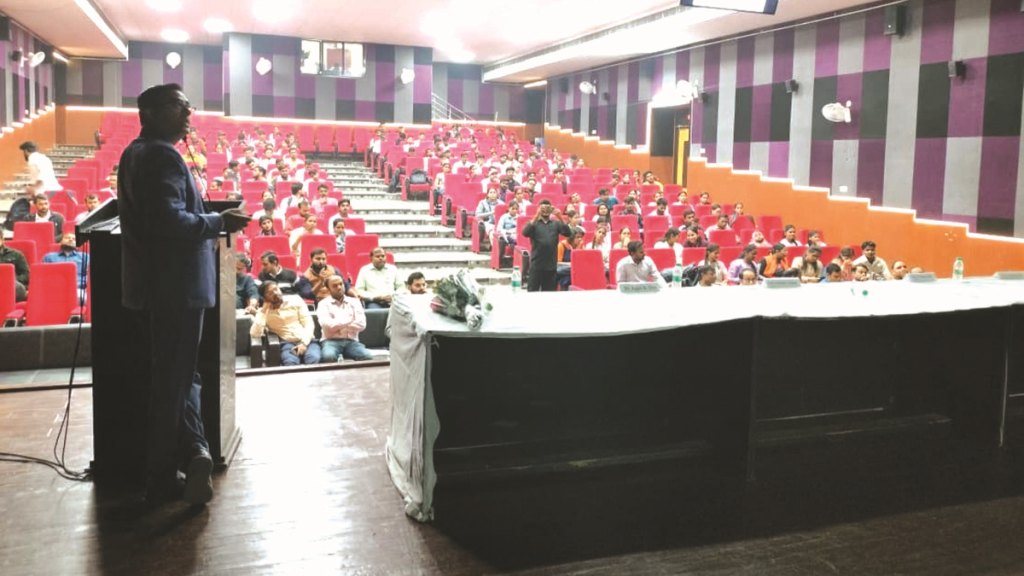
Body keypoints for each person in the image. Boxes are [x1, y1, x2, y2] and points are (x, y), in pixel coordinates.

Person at [118, 83, 250, 506]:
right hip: (176, 286)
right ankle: (160, 477)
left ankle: (195, 452)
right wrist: (219, 222)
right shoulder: (162, 155)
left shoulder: (135, 152)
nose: (189, 115)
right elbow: (169, 222)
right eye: (180, 107)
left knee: (180, 376)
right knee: (172, 383)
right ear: (153, 113)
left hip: (156, 286)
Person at [251, 281, 321, 365]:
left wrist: (304, 344)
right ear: (264, 298)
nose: (275, 293)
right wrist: (263, 311)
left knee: (313, 359)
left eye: (276, 289)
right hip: (287, 344)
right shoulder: (263, 313)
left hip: (308, 341)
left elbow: (309, 324)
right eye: (270, 293)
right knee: (290, 362)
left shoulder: (295, 300)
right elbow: (255, 334)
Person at [317, 275, 374, 363]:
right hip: (330, 341)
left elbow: (362, 325)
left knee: (367, 356)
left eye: (341, 284)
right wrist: (350, 320)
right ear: (328, 289)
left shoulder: (355, 302)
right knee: (328, 357)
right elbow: (328, 326)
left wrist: (338, 325)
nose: (339, 287)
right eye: (335, 286)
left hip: (351, 341)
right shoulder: (323, 304)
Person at [521, 199, 572, 292]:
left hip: (551, 265)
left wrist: (560, 217)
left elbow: (568, 233)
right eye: (543, 208)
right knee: (532, 292)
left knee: (549, 293)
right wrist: (536, 215)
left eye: (547, 208)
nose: (545, 210)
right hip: (536, 264)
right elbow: (525, 232)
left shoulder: (556, 224)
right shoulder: (534, 223)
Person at [0, 234, 29, 301]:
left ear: (2, 239)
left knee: (16, 287)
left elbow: (26, 275)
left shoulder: (16, 254)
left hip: (12, 286)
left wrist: (9, 280)